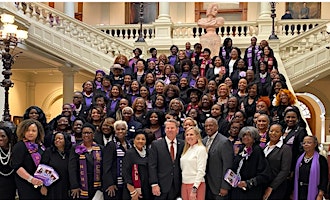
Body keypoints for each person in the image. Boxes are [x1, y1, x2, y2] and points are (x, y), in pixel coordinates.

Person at [231, 126, 271, 200]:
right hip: (237, 188)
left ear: (254, 137)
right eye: (244, 135)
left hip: (251, 191)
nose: (246, 137)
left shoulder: (257, 151)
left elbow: (264, 174)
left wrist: (248, 183)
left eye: (249, 135)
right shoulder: (241, 149)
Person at [149, 119, 184, 200]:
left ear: (177, 130)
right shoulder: (156, 144)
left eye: (172, 128)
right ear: (165, 130)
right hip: (161, 185)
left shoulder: (183, 144)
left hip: (177, 185)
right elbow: (152, 165)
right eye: (168, 128)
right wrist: (154, 184)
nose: (170, 130)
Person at [11, 119, 45, 199]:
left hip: (40, 183)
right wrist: (31, 179)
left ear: (38, 132)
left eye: (33, 130)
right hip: (26, 183)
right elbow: (17, 167)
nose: (30, 133)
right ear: (23, 131)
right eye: (27, 130)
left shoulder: (41, 146)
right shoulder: (20, 146)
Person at [69, 123, 103, 199]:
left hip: (97, 183)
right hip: (81, 183)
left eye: (89, 133)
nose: (86, 135)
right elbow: (72, 168)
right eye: (84, 133)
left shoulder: (100, 148)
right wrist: (74, 185)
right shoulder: (75, 148)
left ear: (93, 134)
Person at [203, 117, 234, 200]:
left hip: (219, 186)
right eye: (206, 126)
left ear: (217, 127)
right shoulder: (204, 140)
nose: (208, 128)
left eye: (211, 125)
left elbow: (228, 166)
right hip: (206, 184)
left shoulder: (224, 142)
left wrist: (225, 186)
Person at [263, 123, 292, 200]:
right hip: (264, 183)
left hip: (277, 186)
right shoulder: (265, 147)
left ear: (281, 134)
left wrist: (271, 187)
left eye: (277, 131)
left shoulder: (285, 149)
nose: (273, 133)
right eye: (271, 131)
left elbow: (285, 171)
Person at [294, 135, 328, 200]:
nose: (306, 144)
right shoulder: (299, 158)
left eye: (309, 142)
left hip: (314, 191)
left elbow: (324, 178)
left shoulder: (321, 159)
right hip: (299, 190)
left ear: (315, 144)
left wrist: (320, 194)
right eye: (304, 143)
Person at [40, 131, 72, 199]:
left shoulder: (70, 153)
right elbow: (42, 169)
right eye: (55, 139)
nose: (57, 140)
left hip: (66, 185)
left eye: (60, 138)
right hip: (52, 186)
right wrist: (43, 186)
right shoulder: (49, 151)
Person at [122, 131, 153, 200]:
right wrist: (133, 192)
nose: (140, 141)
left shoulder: (149, 152)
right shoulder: (129, 153)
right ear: (134, 140)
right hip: (132, 190)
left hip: (146, 189)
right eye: (138, 139)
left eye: (143, 139)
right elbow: (126, 173)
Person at [180, 126, 208, 200]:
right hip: (184, 183)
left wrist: (194, 188)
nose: (189, 137)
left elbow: (201, 171)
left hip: (196, 185)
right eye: (187, 135)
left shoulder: (201, 149)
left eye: (191, 134)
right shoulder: (187, 150)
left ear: (197, 136)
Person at [0, 126, 16, 200]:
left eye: (3, 136)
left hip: (11, 183)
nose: (0, 138)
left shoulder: (15, 149)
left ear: (9, 137)